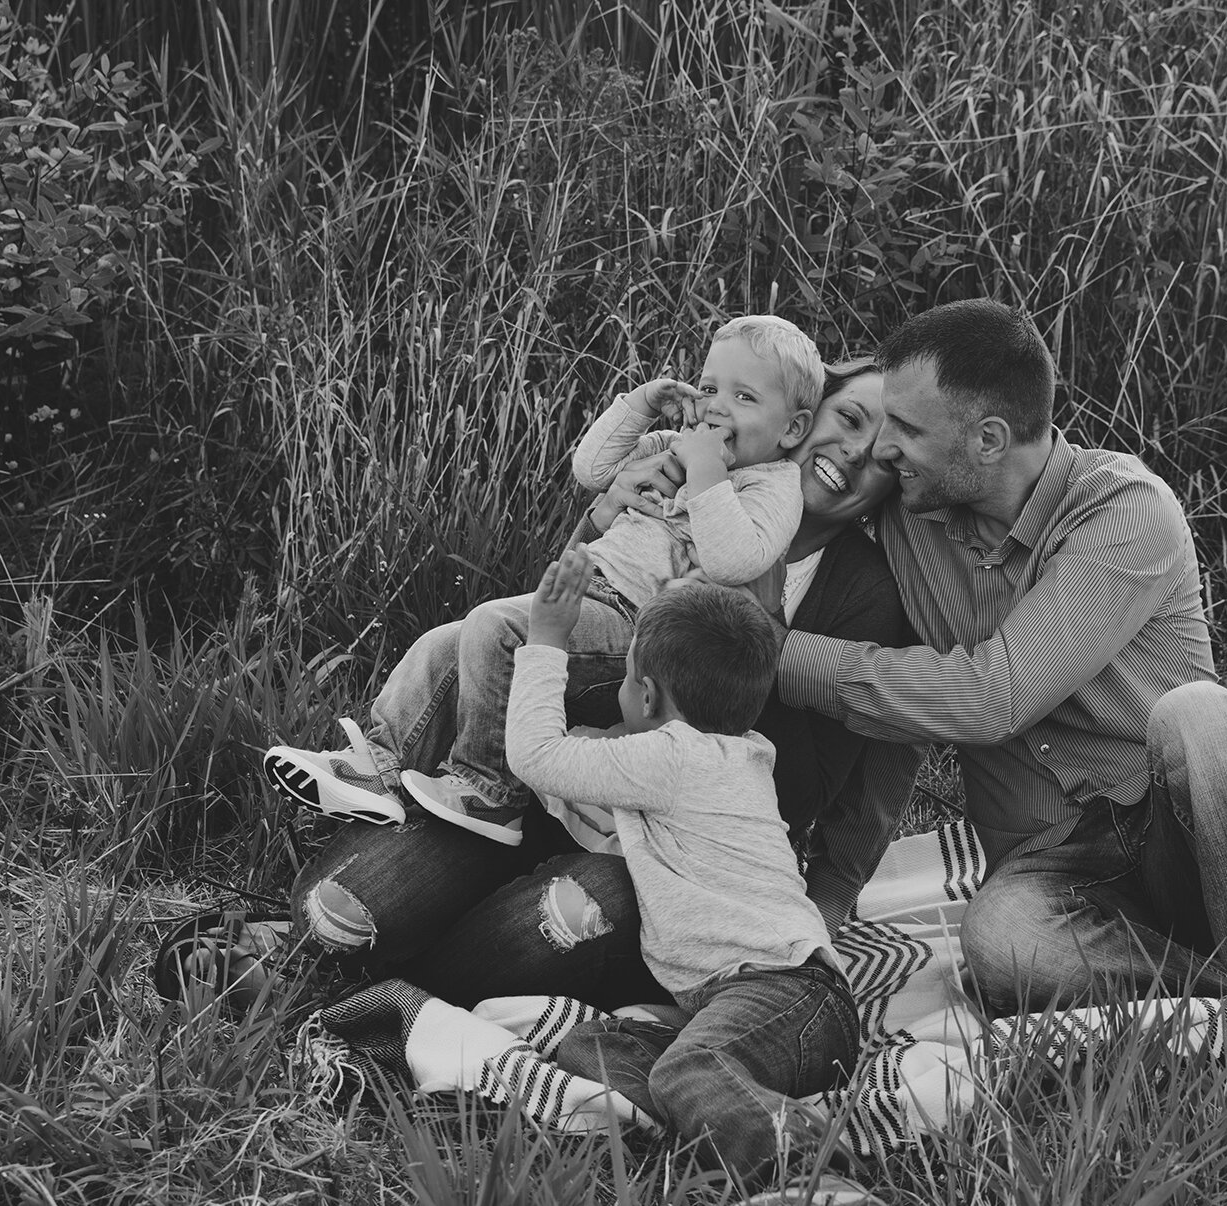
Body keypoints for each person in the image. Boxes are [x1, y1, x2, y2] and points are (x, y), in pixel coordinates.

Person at [773, 298, 1227, 1076]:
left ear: (987, 439)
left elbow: (991, 699)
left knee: (1199, 716)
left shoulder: (1122, 511)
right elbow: (787, 466)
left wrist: (774, 654)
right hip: (1059, 869)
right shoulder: (908, 518)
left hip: (1184, 835)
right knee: (1001, 941)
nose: (884, 445)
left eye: (906, 429)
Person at [175, 363, 904, 1012]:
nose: (852, 454)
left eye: (881, 457)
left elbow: (802, 786)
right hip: (520, 778)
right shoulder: (688, 477)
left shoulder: (861, 592)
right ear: (801, 421)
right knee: (343, 909)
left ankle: (385, 992)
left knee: (566, 918)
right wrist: (602, 513)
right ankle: (331, 944)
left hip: (647, 847)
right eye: (849, 419)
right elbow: (561, 616)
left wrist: (756, 623)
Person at [272, 313, 823, 848]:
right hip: (592, 596)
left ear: (793, 428)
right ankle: (380, 764)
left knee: (497, 627)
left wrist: (706, 472)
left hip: (640, 630)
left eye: (745, 397)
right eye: (708, 386)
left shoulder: (773, 488)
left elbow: (734, 560)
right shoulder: (673, 446)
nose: (717, 406)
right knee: (449, 638)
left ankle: (488, 789)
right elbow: (591, 470)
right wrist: (642, 404)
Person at [505, 562, 857, 1195]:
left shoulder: (675, 756)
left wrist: (547, 641)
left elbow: (535, 755)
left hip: (786, 994)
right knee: (590, 1050)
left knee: (684, 1071)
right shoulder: (736, 753)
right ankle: (754, 1111)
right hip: (773, 1014)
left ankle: (812, 1175)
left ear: (645, 696)